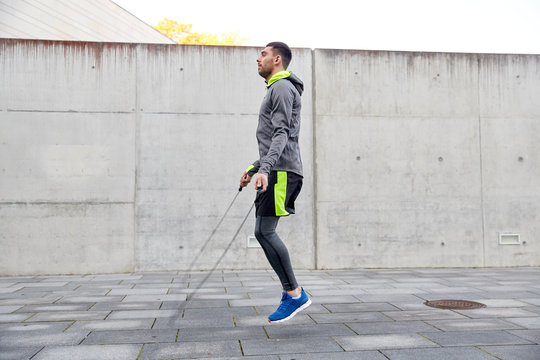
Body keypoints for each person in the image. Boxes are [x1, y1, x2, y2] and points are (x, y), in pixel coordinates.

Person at [239, 42, 311, 323]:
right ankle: (291, 292)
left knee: (266, 232)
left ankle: (295, 294)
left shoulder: (281, 87)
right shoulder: (278, 88)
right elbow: (277, 138)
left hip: (281, 172)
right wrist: (253, 167)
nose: (258, 59)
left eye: (264, 54)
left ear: (277, 59)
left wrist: (265, 170)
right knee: (261, 231)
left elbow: (283, 133)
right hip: (277, 169)